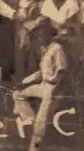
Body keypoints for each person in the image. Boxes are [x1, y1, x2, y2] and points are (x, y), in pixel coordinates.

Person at [13, 19, 67, 151]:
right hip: (43, 85)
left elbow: (61, 71)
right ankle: (30, 119)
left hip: (52, 87)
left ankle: (34, 148)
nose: (41, 37)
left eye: (43, 34)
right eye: (39, 34)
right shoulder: (45, 49)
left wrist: (55, 88)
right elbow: (41, 73)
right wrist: (24, 82)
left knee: (41, 122)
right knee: (18, 94)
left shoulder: (57, 48)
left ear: (50, 34)